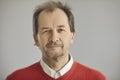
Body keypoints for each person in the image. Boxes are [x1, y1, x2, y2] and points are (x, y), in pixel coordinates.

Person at [6, 1, 106, 80]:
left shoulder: (96, 78)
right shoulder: (16, 78)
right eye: (46, 31)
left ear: (72, 36)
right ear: (36, 39)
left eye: (61, 30)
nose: (54, 38)